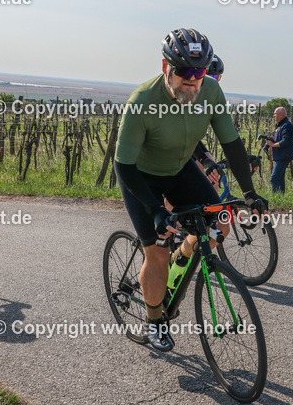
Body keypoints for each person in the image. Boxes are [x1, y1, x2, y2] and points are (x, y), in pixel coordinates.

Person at [114, 28, 266, 350]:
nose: (193, 79)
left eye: (199, 71)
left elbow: (232, 145)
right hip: (141, 176)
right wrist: (156, 209)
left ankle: (180, 260)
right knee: (156, 251)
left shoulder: (210, 93)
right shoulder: (142, 101)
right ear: (166, 66)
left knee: (221, 220)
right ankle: (156, 321)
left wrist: (250, 194)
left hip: (179, 169)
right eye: (184, 71)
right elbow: (123, 165)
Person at [265, 106, 293, 193]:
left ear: (281, 115)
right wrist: (272, 139)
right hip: (280, 156)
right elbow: (281, 139)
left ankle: (275, 198)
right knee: (280, 180)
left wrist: (272, 144)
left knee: (274, 179)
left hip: (283, 157)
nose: (273, 116)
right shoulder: (281, 126)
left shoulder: (287, 126)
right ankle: (281, 197)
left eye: (275, 114)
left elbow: (286, 141)